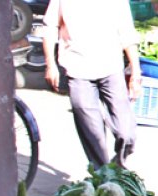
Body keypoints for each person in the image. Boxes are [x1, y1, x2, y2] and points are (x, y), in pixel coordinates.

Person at [43, 0, 141, 169]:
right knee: (92, 133)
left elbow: (127, 33)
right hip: (77, 69)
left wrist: (136, 71)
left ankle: (118, 165)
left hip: (111, 68)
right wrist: (50, 65)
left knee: (127, 133)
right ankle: (103, 176)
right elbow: (50, 27)